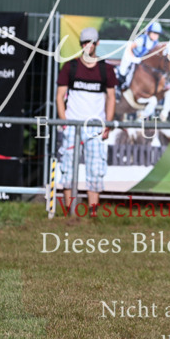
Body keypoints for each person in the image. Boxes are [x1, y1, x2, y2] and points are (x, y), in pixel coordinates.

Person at [56, 27, 117, 217]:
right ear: (81, 44)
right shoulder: (70, 67)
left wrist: (108, 124)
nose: (88, 46)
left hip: (95, 128)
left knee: (96, 168)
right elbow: (59, 96)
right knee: (67, 168)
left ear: (97, 43)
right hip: (72, 126)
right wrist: (64, 122)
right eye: (84, 42)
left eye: (91, 42)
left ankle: (93, 212)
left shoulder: (106, 69)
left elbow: (111, 97)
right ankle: (69, 212)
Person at [117, 21, 163, 92]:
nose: (156, 36)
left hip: (141, 59)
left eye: (157, 34)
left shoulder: (156, 43)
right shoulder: (142, 39)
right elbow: (129, 48)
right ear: (149, 32)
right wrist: (133, 58)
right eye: (154, 33)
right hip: (131, 55)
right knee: (124, 70)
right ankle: (119, 86)